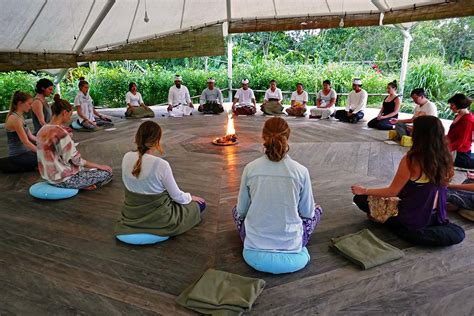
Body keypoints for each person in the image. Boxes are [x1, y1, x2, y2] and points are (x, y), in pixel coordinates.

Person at [352, 116, 465, 247]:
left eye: (413, 128)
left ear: (419, 135)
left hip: (413, 216)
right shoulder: (447, 157)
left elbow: (392, 191)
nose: (410, 130)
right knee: (457, 233)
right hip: (437, 216)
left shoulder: (411, 160)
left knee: (360, 198)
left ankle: (398, 227)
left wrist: (364, 190)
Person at [233, 117, 323, 252]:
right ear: (288, 136)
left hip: (254, 241)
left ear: (263, 137)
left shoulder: (250, 168)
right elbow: (307, 213)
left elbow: (241, 211)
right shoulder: (301, 171)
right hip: (291, 243)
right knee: (317, 210)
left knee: (235, 209)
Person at [115, 121, 205, 238]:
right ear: (157, 141)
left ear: (137, 138)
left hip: (132, 215)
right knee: (200, 205)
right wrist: (191, 197)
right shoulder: (161, 165)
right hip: (160, 219)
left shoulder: (126, 157)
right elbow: (177, 197)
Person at [37, 94, 113, 190]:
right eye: (70, 114)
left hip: (48, 177)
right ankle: (83, 185)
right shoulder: (61, 133)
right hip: (64, 179)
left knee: (87, 169)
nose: (70, 118)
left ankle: (84, 182)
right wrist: (100, 166)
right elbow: (76, 160)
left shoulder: (42, 130)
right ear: (64, 112)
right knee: (107, 172)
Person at [0, 91, 37, 173]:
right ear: (20, 103)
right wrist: (42, 152)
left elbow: (31, 136)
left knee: (50, 155)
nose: (30, 107)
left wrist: (45, 143)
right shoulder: (14, 119)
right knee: (46, 158)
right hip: (17, 156)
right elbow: (26, 142)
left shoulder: (20, 116)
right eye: (29, 104)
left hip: (25, 152)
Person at [446, 93, 473, 170]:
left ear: (459, 105)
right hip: (452, 148)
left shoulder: (468, 121)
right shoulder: (459, 115)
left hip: (460, 153)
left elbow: (461, 142)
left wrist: (444, 149)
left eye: (452, 105)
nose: (450, 107)